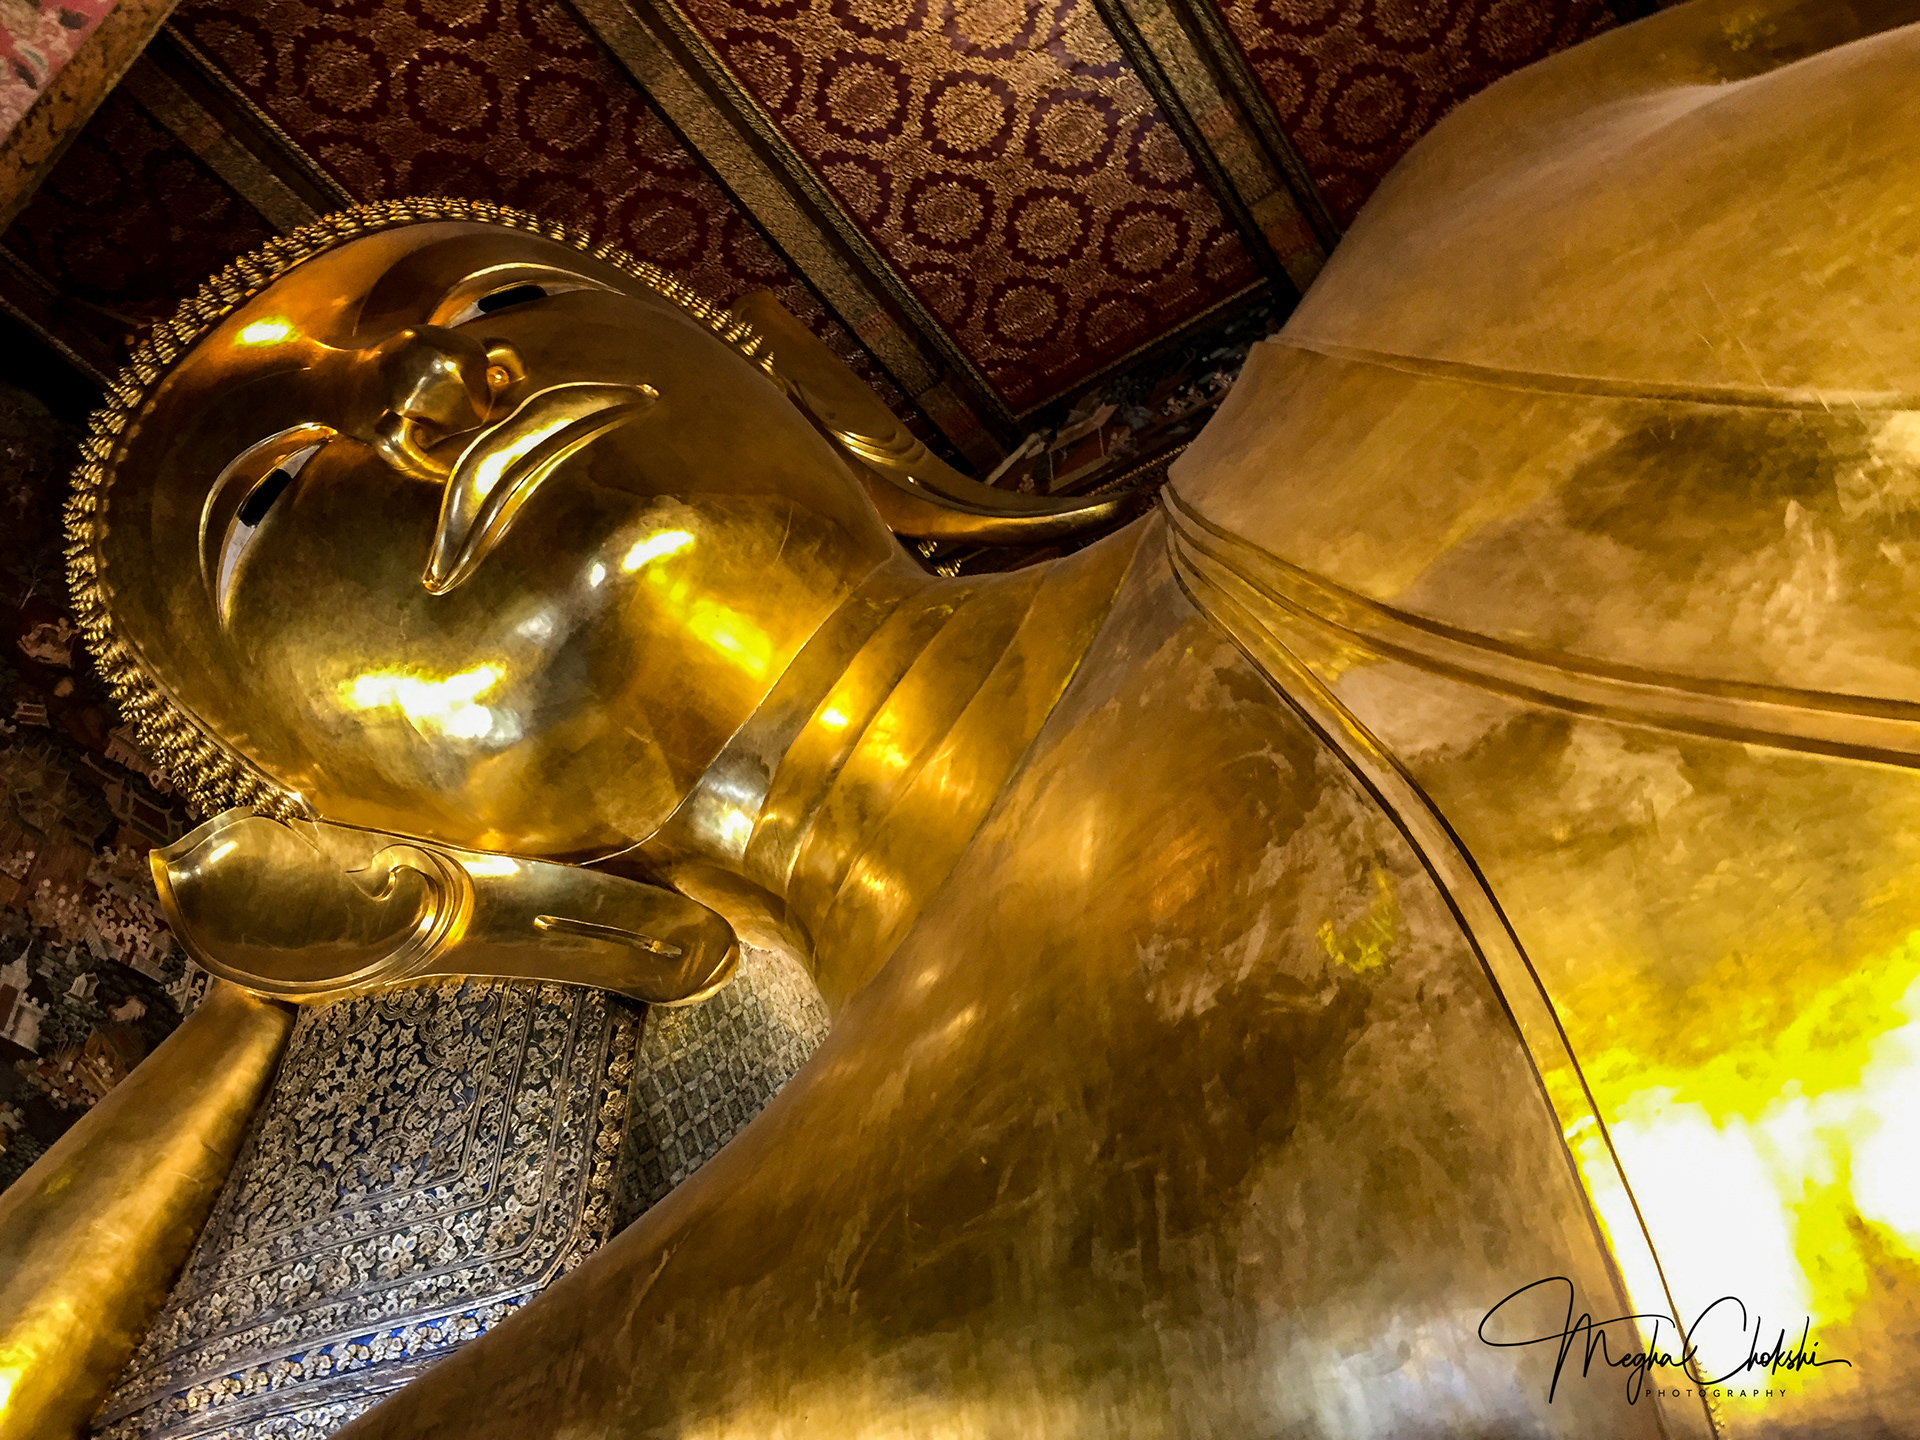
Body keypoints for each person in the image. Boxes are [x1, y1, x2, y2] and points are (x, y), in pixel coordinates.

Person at [13, 0, 1920, 1434]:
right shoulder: (772, 1327)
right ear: (371, 822)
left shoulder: (1497, 202)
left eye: (494, 293)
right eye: (269, 508)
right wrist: (337, 979)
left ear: (827, 405)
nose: (438, 385)